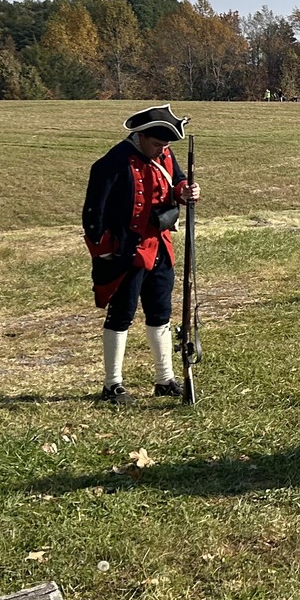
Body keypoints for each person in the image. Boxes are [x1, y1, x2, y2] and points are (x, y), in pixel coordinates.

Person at [83, 105, 200, 402]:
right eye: (157, 144)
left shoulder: (164, 153)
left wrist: (186, 191)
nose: (162, 150)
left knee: (160, 313)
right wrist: (105, 254)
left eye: (165, 146)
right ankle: (112, 384)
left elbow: (177, 180)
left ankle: (164, 379)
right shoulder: (112, 163)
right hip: (127, 252)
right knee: (121, 315)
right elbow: (94, 215)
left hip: (160, 245)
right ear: (141, 136)